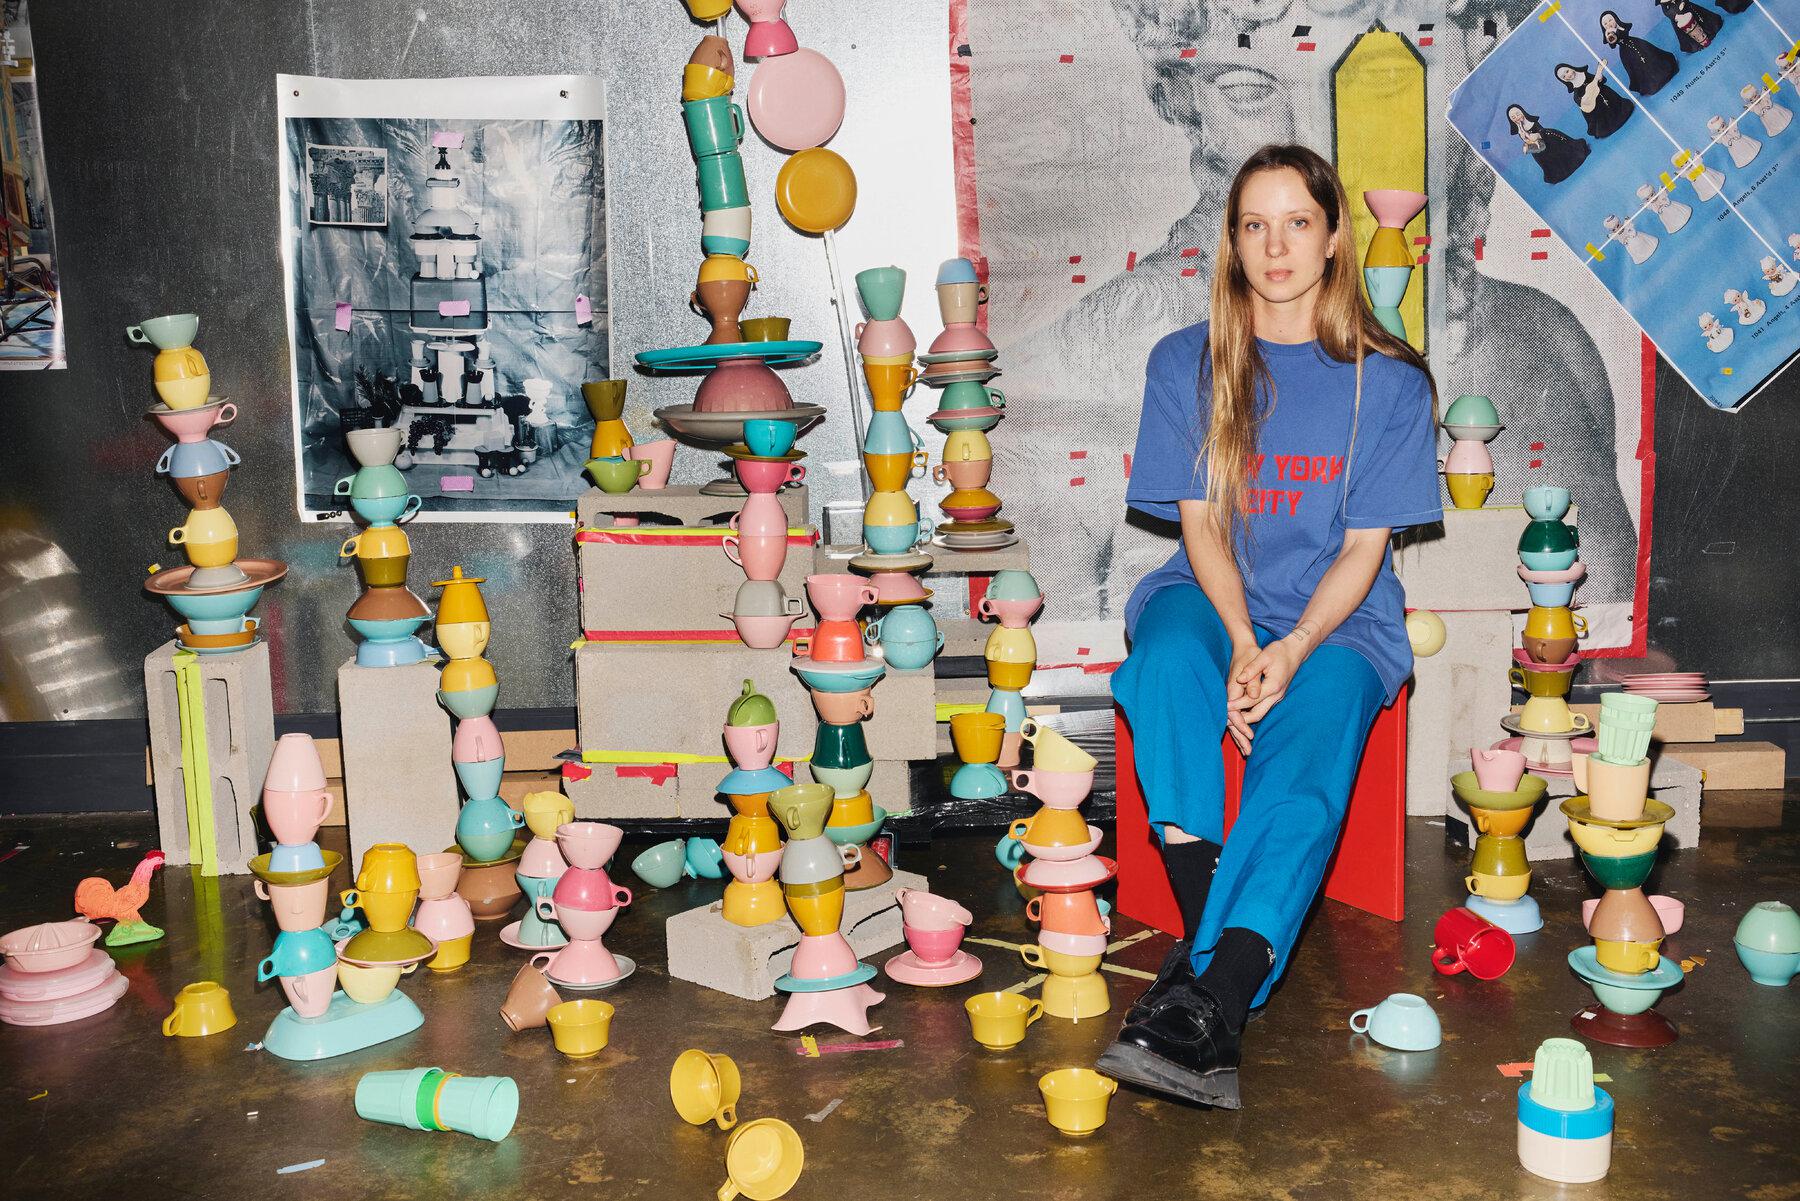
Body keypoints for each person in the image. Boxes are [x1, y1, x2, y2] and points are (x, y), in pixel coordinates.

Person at [1095, 144, 1440, 1109]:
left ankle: (1216, 993)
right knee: (1164, 665)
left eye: (1297, 223)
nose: (1276, 244)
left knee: (1310, 745)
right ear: (1232, 241)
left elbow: (1365, 552)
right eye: (1254, 224)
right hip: (1216, 595)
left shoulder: (1390, 384)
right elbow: (1201, 527)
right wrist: (1246, 640)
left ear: (1334, 240)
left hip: (1340, 616)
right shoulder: (1187, 362)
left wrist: (1290, 650)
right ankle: (1217, 975)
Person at [1600, 11, 1679, 96]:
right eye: (1605, 23)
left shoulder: (1619, 28)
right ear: (1603, 27)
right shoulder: (1609, 33)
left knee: (1650, 55)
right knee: (1637, 68)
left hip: (1635, 43)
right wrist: (1608, 35)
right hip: (1625, 52)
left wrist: (1615, 29)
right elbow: (1612, 46)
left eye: (1610, 20)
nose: (1609, 24)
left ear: (1615, 18)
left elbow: (1625, 33)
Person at [1509, 104, 1590, 184]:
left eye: (1517, 114)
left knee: (1558, 149)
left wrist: (1535, 136)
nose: (1517, 117)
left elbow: (1540, 131)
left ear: (1522, 112)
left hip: (1547, 138)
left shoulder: (1531, 122)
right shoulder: (1520, 130)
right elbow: (1527, 140)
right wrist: (1522, 132)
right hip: (1537, 146)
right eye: (1513, 117)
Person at [1555, 63, 1634, 139]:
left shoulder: (1584, 75)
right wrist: (1583, 100)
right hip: (1597, 108)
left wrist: (1600, 78)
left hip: (1606, 95)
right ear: (1564, 81)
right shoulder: (1576, 90)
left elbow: (1598, 80)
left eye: (1567, 71)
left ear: (1571, 68)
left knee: (1619, 106)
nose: (1568, 75)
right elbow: (1579, 101)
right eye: (1564, 76)